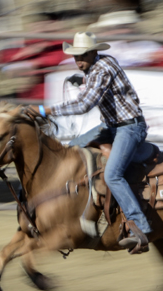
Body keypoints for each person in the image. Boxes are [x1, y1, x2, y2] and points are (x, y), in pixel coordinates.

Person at [26, 32, 152, 254]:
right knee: (72, 151)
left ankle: (139, 226)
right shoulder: (97, 67)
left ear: (94, 52)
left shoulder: (102, 69)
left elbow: (85, 104)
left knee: (113, 174)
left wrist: (45, 110)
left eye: (83, 55)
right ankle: (73, 211)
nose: (78, 60)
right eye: (76, 56)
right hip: (112, 127)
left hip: (130, 127)